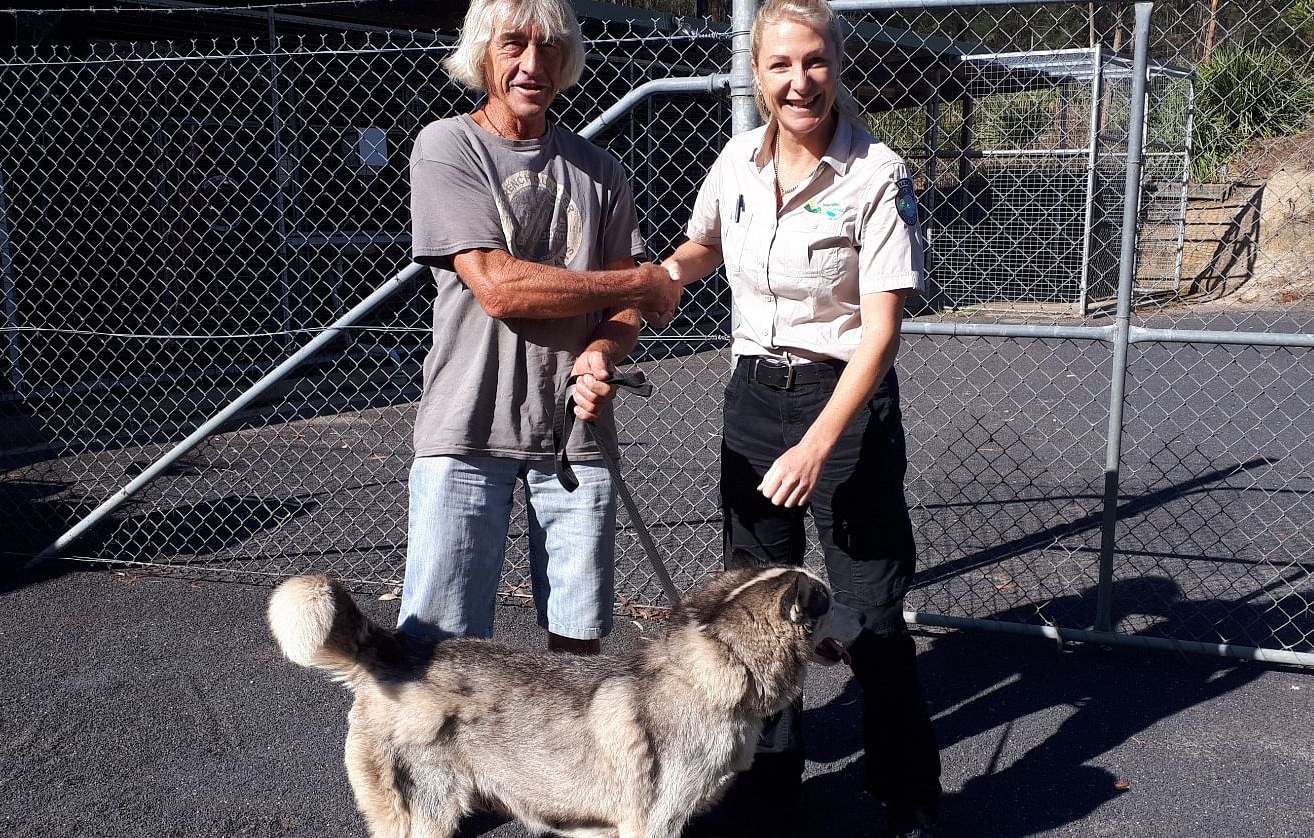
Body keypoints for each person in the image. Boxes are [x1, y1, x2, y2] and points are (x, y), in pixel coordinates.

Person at [661, 0, 941, 834]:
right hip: (752, 396)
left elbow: (882, 329)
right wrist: (658, 283)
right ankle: (768, 773)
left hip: (843, 404)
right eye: (781, 65)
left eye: (814, 62)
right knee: (752, 603)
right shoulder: (737, 162)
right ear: (756, 73)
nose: (799, 81)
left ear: (838, 66)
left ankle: (906, 791)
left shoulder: (876, 173)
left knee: (870, 611)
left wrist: (822, 442)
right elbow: (702, 246)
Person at [401, 0, 681, 655]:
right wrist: (639, 280)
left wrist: (603, 353)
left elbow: (624, 316)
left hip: (575, 438)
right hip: (467, 429)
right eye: (513, 46)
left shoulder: (602, 171)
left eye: (549, 47)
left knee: (578, 649)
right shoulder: (447, 146)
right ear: (482, 53)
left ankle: (560, 764)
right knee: (440, 656)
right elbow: (498, 287)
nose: (533, 64)